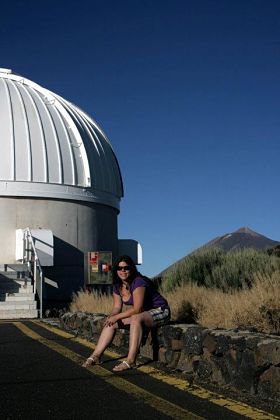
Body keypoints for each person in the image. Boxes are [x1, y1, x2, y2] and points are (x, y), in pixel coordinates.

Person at [82, 255, 170, 372]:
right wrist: (111, 317)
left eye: (126, 268)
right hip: (145, 313)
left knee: (135, 318)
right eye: (119, 268)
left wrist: (117, 317)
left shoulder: (138, 282)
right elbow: (117, 307)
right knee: (111, 323)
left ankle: (131, 361)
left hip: (161, 311)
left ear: (131, 269)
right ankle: (96, 356)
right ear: (116, 270)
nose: (122, 271)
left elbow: (137, 309)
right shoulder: (117, 286)